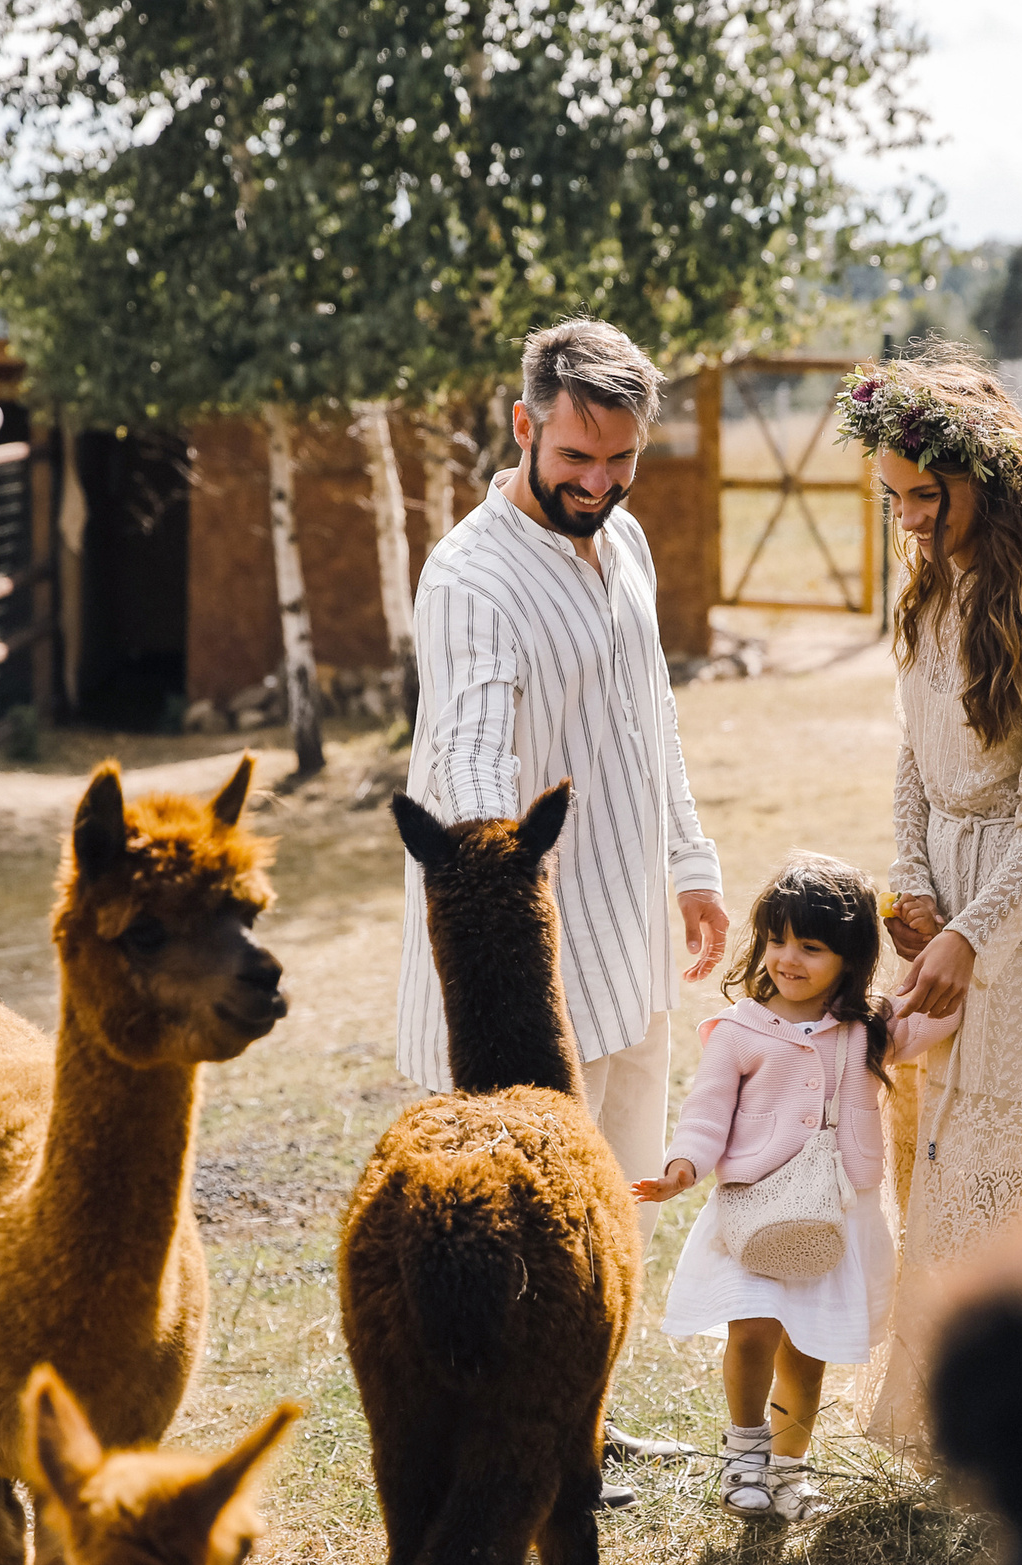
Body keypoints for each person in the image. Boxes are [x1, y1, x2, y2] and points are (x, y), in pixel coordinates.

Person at [398, 317, 729, 1485]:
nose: (597, 483)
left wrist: (692, 865)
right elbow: (473, 758)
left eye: (620, 461)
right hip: (524, 966)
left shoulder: (624, 540)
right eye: (577, 459)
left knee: (616, 1209)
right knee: (521, 1228)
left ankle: (582, 1421)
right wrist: (503, 898)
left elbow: (651, 717)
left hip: (632, 932)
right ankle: (510, 1454)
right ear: (525, 424)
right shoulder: (470, 577)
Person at [834, 343, 1022, 1452]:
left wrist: (967, 933)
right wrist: (910, 881)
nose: (905, 518)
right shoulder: (930, 588)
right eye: (892, 497)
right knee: (931, 1168)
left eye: (921, 496)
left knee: (1007, 1186)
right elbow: (914, 756)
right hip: (937, 905)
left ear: (981, 483)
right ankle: (947, 1415)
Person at [633, 854, 952, 1519]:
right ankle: (744, 1458)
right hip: (756, 1210)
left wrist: (944, 945)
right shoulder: (742, 1029)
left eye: (811, 947)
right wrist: (682, 1168)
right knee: (751, 1336)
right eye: (777, 940)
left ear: (849, 958)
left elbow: (939, 1018)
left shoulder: (868, 1029)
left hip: (838, 1216)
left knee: (807, 1355)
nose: (788, 958)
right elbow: (706, 1110)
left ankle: (790, 1470)